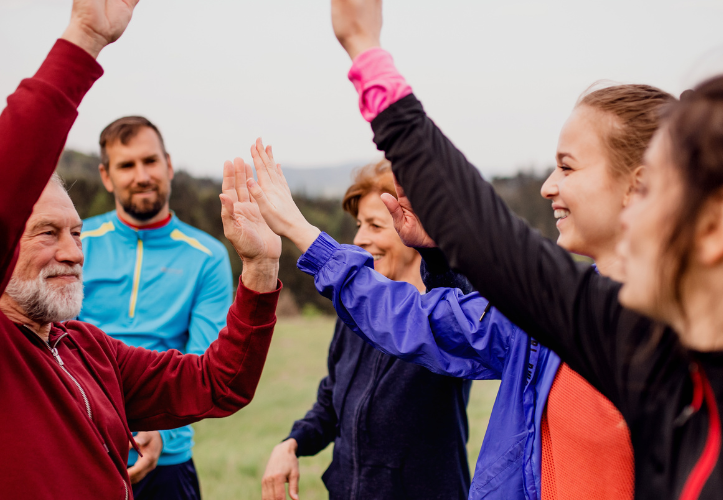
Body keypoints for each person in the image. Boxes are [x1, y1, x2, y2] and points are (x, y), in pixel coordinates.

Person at [321, 1, 723, 498]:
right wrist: (367, 54)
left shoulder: (650, 352)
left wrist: (366, 50)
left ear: (711, 227)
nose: (549, 187)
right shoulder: (612, 330)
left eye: (655, 189)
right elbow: (485, 251)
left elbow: (486, 236)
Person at [242, 76, 670, 498]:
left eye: (568, 166)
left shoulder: (680, 340)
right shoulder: (545, 321)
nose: (547, 187)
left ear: (638, 185)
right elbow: (421, 320)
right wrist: (306, 237)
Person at [0, 1, 283, 498]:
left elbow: (218, 382)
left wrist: (261, 266)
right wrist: (84, 38)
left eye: (76, 233)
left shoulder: (88, 348)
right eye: (47, 233)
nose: (74, 252)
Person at [260, 160, 473, 500]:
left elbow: (458, 304)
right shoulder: (354, 313)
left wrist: (434, 253)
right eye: (360, 225)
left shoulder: (445, 315)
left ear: (414, 227)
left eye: (375, 225)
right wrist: (293, 443)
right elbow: (333, 402)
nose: (360, 238)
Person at [79, 116, 234, 499]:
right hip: (82, 450)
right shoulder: (76, 243)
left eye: (150, 161)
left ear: (168, 165)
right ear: (106, 176)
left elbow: (202, 365)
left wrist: (163, 434)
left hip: (168, 460)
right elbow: (56, 349)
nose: (142, 176)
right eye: (126, 165)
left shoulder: (208, 256)